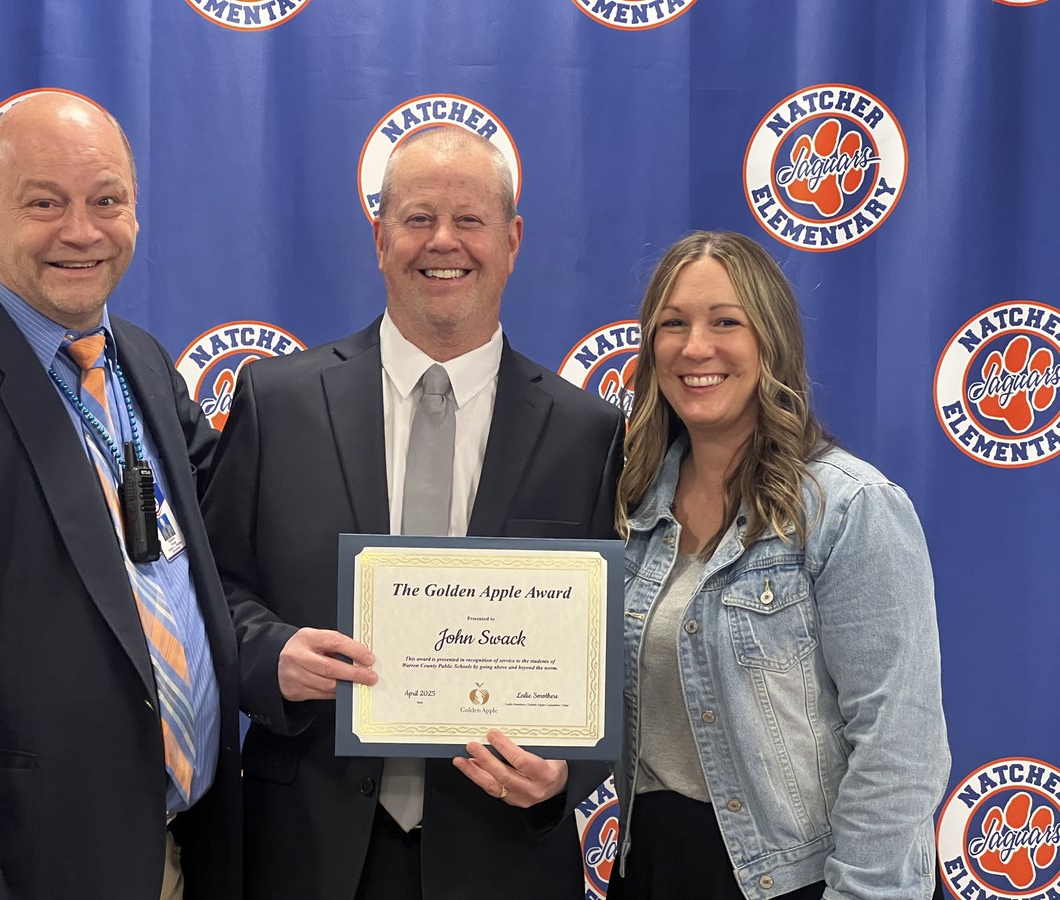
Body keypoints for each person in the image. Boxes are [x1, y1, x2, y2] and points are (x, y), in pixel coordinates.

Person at [201, 127, 624, 900]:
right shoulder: (279, 402)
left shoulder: (587, 434)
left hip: (503, 859)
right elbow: (211, 593)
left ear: (512, 239)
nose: (443, 242)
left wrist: (566, 773)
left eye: (470, 219)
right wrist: (272, 658)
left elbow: (610, 653)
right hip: (302, 850)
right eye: (418, 217)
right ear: (380, 236)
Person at [0, 93, 241, 900]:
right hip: (38, 871)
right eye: (45, 203)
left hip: (182, 851)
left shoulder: (137, 359)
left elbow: (211, 563)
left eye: (107, 201)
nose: (82, 231)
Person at [608, 230, 949, 900]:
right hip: (653, 866)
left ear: (772, 342)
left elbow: (897, 749)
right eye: (672, 324)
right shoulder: (629, 510)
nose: (695, 347)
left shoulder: (851, 508)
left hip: (801, 880)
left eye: (725, 322)